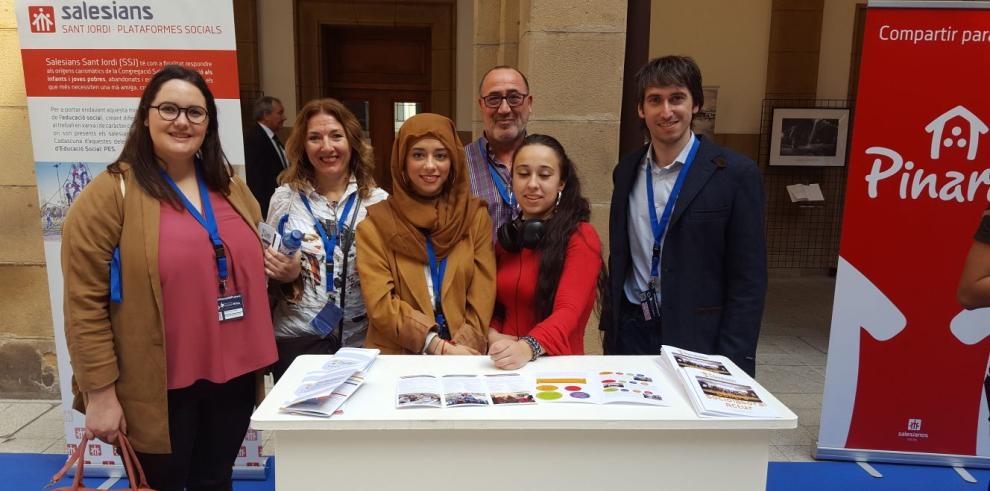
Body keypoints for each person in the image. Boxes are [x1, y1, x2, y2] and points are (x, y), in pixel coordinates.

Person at [61, 65, 277, 491]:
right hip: (157, 384)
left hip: (231, 376)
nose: (182, 121)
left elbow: (255, 251)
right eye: (169, 109)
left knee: (214, 481)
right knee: (161, 483)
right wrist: (100, 394)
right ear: (146, 116)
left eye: (196, 113)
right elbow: (84, 304)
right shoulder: (110, 195)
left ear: (209, 124)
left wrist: (280, 269)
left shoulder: (228, 184)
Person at [600, 55, 767, 376]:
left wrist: (734, 358)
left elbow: (749, 279)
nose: (666, 111)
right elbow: (622, 255)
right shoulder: (626, 171)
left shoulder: (735, 174)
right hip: (632, 330)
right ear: (641, 109)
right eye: (654, 100)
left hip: (699, 335)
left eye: (677, 98)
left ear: (695, 104)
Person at [265, 98, 387, 380]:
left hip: (360, 344)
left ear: (352, 141)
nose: (327, 147)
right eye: (315, 138)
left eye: (336, 136)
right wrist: (284, 275)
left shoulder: (378, 202)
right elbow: (264, 275)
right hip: (298, 342)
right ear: (302, 146)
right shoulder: (285, 199)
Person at [357, 113, 494, 355]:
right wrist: (437, 347)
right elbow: (381, 305)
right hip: (398, 357)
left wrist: (462, 347)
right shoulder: (375, 225)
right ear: (402, 161)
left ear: (453, 160)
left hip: (464, 354)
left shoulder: (474, 218)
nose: (430, 166)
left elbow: (482, 294)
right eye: (418, 155)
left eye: (440, 155)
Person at [489, 134, 604, 370]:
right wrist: (492, 334)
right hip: (505, 365)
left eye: (544, 175)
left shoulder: (581, 237)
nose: (532, 184)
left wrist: (527, 347)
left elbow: (568, 311)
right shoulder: (509, 240)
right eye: (523, 174)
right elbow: (498, 307)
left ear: (561, 182)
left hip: (555, 368)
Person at [465, 66, 534, 239]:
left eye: (514, 98)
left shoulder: (551, 162)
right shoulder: (458, 164)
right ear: (481, 105)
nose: (504, 109)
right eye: (494, 99)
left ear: (529, 103)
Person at [245, 95, 288, 217]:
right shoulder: (254, 139)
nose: (284, 117)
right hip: (266, 210)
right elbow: (256, 180)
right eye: (280, 113)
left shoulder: (272, 137)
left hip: (278, 205)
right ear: (266, 115)